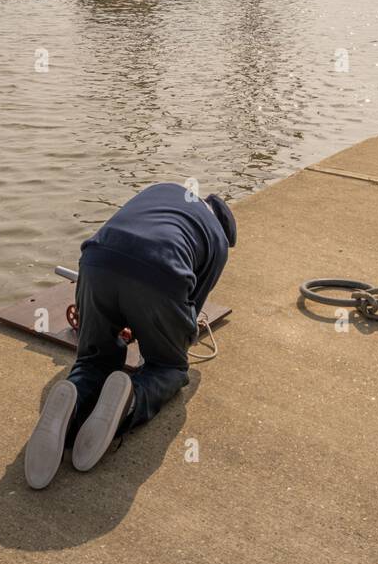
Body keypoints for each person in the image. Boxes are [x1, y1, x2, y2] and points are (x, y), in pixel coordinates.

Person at [24, 181, 237, 488]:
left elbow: (127, 242)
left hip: (97, 260)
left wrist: (126, 313)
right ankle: (130, 402)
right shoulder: (217, 241)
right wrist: (154, 326)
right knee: (169, 368)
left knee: (95, 361)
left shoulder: (164, 190)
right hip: (163, 273)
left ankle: (73, 399)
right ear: (225, 230)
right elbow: (188, 319)